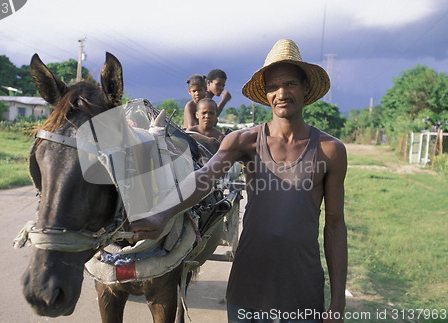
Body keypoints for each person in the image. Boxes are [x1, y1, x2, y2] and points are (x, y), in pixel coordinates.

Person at [129, 39, 348, 323]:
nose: (282, 93)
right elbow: (203, 178)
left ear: (305, 88)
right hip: (250, 283)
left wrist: (338, 301)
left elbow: (334, 224)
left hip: (302, 285)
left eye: (291, 83)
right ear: (266, 94)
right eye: (273, 86)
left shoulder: (329, 149)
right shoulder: (244, 141)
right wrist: (162, 213)